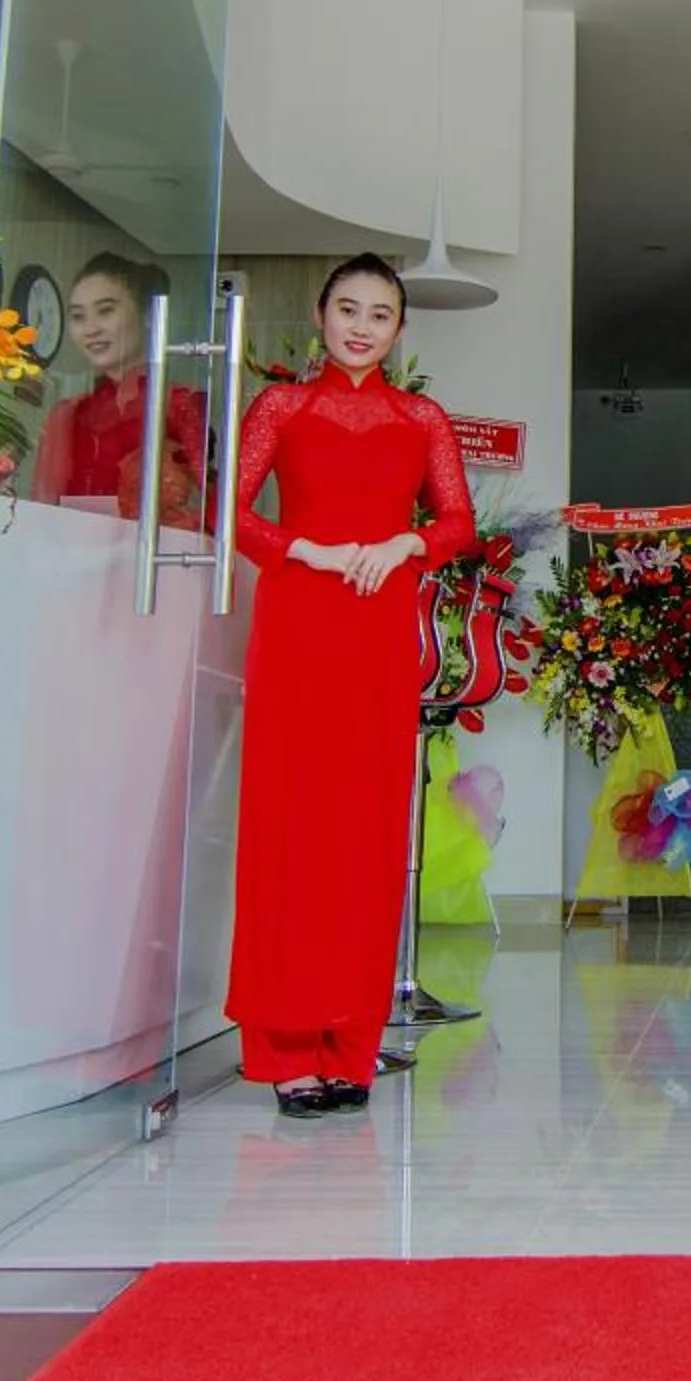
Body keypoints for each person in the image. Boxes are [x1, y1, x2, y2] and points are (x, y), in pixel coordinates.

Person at [227, 253, 476, 1117]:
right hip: (299, 624)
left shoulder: (422, 419)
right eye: (347, 308)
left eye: (379, 313)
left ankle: (352, 1047)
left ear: (400, 328)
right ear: (321, 315)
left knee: (366, 831)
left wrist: (405, 545)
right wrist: (312, 550)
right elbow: (233, 511)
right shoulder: (282, 406)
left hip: (377, 635)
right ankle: (289, 1046)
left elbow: (455, 522)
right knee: (291, 825)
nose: (362, 325)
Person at [29, 252, 210, 530]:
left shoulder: (178, 404)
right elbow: (41, 512)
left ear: (148, 315)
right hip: (70, 561)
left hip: (151, 562)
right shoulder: (65, 415)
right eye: (78, 316)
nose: (91, 329)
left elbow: (215, 503)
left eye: (106, 310)